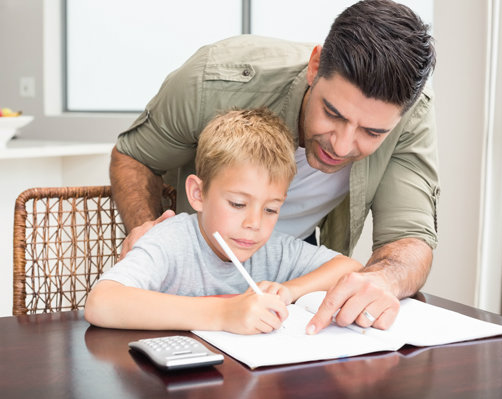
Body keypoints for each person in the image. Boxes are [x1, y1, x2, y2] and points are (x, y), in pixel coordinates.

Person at [109, 0, 438, 333]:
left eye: (372, 132)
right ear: (315, 66)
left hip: (287, 277)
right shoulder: (212, 80)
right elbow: (135, 156)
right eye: (333, 114)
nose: (340, 146)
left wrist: (381, 279)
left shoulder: (411, 116)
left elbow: (409, 239)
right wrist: (150, 230)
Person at [86, 108, 370, 334]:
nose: (254, 223)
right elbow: (101, 302)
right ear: (198, 194)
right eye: (237, 204)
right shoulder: (170, 241)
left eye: (271, 209)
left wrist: (290, 290)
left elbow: (350, 268)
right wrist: (224, 314)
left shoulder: (271, 248)